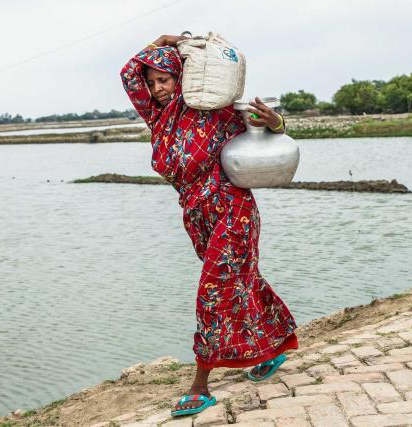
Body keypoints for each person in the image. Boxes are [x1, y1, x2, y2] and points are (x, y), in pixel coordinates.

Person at [120, 34, 298, 416]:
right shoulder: (158, 116)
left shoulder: (214, 110)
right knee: (241, 281)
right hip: (196, 214)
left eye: (164, 79)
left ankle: (201, 386)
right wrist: (164, 40)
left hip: (232, 209)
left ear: (180, 76)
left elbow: (268, 129)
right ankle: (274, 346)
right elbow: (128, 73)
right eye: (152, 83)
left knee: (213, 291)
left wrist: (277, 122)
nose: (157, 88)